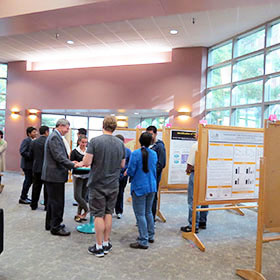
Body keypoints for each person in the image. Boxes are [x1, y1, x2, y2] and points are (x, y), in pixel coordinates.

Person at [76, 116, 125, 257]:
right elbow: (122, 165)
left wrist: (81, 163)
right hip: (113, 184)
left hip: (97, 184)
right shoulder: (120, 143)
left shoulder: (95, 141)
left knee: (98, 214)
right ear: (115, 127)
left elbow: (87, 161)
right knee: (108, 213)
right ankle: (105, 243)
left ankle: (98, 247)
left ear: (103, 125)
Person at [41, 119, 78, 236]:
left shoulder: (54, 136)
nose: (67, 131)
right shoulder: (55, 137)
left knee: (52, 201)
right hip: (54, 175)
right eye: (67, 128)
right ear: (61, 126)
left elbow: (60, 156)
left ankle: (50, 224)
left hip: (52, 175)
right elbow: (59, 157)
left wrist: (71, 162)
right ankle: (56, 227)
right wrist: (73, 165)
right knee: (57, 202)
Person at [127, 132, 157, 249]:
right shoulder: (154, 154)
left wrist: (127, 173)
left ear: (139, 141)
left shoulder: (135, 154)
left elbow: (131, 171)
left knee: (140, 214)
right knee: (148, 212)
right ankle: (150, 235)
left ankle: (143, 240)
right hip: (152, 186)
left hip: (139, 187)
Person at [180, 131, 208, 233]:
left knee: (193, 200)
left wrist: (187, 170)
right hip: (207, 175)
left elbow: (190, 163)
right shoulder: (209, 145)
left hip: (196, 174)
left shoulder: (196, 145)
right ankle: (202, 221)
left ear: (198, 135)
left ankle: (193, 225)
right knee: (204, 199)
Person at [146, 126, 166, 221]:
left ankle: (152, 218)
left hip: (154, 176)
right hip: (146, 176)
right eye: (148, 134)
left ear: (155, 134)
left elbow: (162, 163)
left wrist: (152, 172)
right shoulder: (148, 145)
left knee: (153, 197)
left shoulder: (160, 146)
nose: (150, 136)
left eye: (151, 134)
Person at [29, 126, 49, 210]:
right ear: (47, 132)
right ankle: (46, 206)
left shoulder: (34, 142)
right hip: (46, 168)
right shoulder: (49, 142)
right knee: (47, 188)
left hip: (36, 167)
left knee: (36, 187)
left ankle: (33, 205)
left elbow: (31, 155)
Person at [70, 135, 89, 222]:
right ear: (79, 142)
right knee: (77, 196)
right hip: (77, 175)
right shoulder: (74, 151)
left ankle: (79, 215)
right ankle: (87, 209)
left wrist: (83, 163)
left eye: (85, 142)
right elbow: (71, 162)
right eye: (82, 142)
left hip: (87, 175)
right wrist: (76, 163)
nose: (84, 144)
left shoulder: (89, 151)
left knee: (83, 196)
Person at [19, 127, 37, 204]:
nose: (36, 133)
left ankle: (24, 196)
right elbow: (22, 151)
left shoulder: (33, 140)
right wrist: (31, 156)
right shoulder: (26, 140)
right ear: (29, 133)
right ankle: (22, 198)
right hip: (27, 165)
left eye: (36, 132)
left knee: (29, 181)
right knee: (28, 181)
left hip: (31, 165)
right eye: (34, 132)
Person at [114, 134, 131, 219]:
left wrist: (126, 171)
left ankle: (119, 211)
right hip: (113, 175)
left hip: (123, 175)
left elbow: (130, 163)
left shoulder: (128, 151)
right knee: (112, 193)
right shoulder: (112, 151)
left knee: (120, 193)